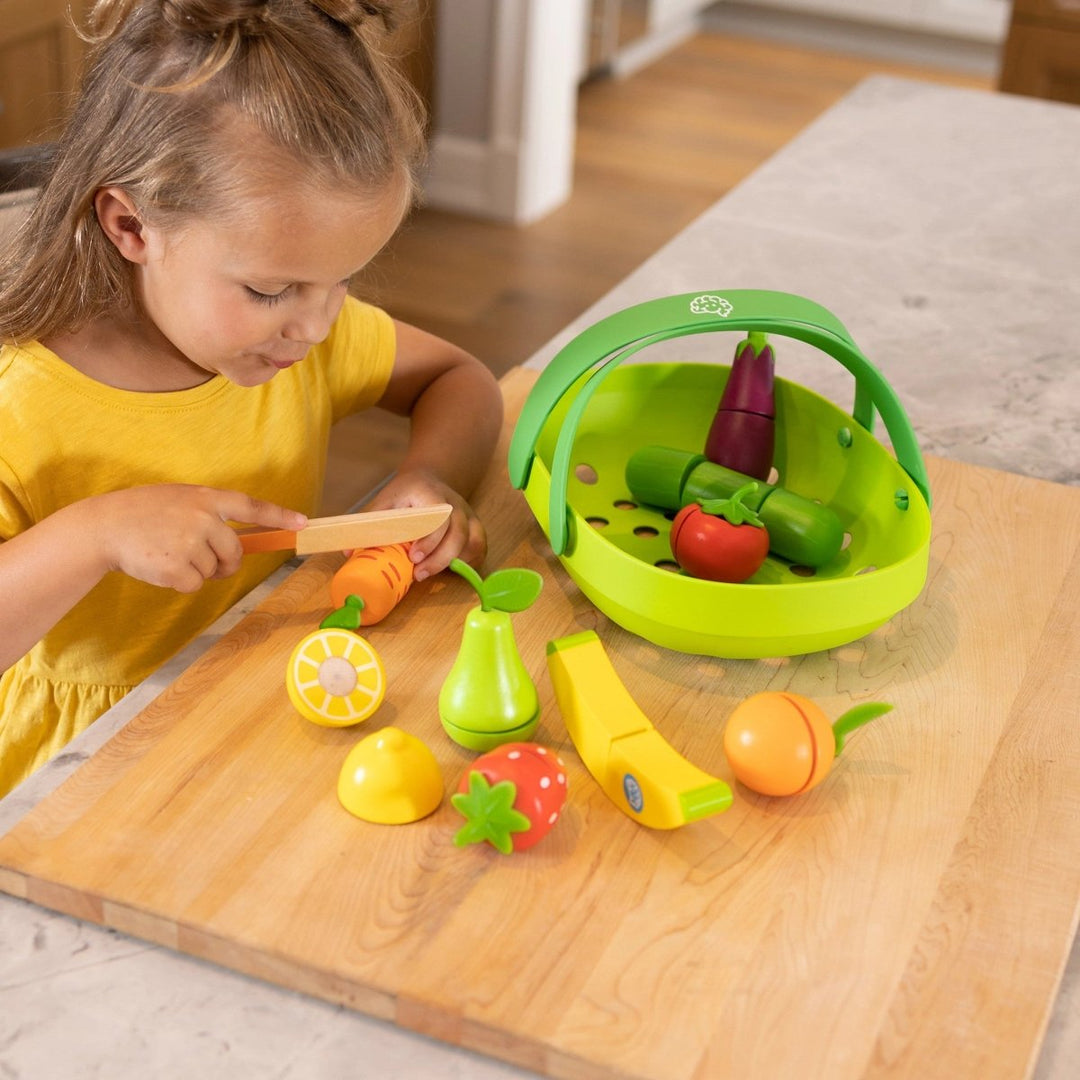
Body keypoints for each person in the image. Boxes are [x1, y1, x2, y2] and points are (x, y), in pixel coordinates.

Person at [0, 0, 504, 797]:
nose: (316, 325)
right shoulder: (19, 402)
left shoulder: (297, 337)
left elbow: (460, 379)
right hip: (86, 768)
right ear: (131, 226)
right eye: (271, 289)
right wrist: (94, 535)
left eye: (342, 281)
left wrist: (430, 475)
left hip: (252, 697)